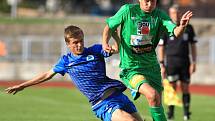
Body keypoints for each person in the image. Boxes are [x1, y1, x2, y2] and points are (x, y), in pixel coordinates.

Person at [5, 25, 144, 121]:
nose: (79, 45)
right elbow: (47, 75)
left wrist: (116, 36)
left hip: (118, 95)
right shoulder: (66, 62)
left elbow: (117, 49)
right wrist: (23, 85)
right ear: (68, 44)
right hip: (102, 103)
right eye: (75, 42)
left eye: (81, 41)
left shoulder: (95, 50)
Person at [102, 0, 193, 121]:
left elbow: (175, 33)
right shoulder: (128, 10)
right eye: (146, 1)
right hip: (132, 68)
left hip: (152, 68)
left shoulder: (160, 15)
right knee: (152, 94)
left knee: (157, 102)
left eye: (153, 1)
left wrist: (182, 26)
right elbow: (109, 26)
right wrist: (105, 43)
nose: (149, 4)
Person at [158, 4, 197, 121]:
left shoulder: (189, 28)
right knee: (172, 88)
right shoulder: (166, 27)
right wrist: (162, 64)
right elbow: (161, 47)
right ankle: (170, 113)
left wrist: (194, 62)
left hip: (185, 62)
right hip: (171, 62)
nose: (176, 15)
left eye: (177, 12)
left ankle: (186, 114)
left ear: (181, 13)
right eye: (173, 13)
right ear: (170, 14)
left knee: (185, 87)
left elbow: (193, 46)